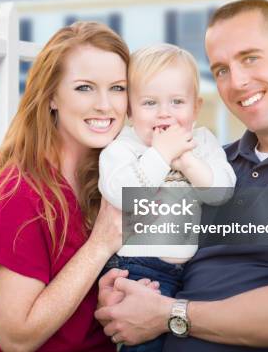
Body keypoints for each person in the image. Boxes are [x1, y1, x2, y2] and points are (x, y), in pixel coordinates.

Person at [95, 0, 268, 351]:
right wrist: (122, 291)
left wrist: (168, 313)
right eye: (222, 69)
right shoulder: (214, 165)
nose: (238, 81)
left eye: (251, 58)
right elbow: (145, 240)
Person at [0, 21, 141, 351]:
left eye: (117, 88)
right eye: (85, 87)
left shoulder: (111, 181)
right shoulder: (17, 195)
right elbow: (16, 338)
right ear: (51, 97)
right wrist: (99, 246)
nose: (105, 105)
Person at [97, 44, 236, 351]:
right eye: (149, 102)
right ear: (130, 110)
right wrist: (161, 154)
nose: (164, 112)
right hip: (136, 268)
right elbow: (121, 194)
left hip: (189, 271)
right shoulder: (123, 147)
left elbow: (222, 192)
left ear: (195, 108)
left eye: (177, 101)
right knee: (143, 344)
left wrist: (186, 161)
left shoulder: (201, 142)